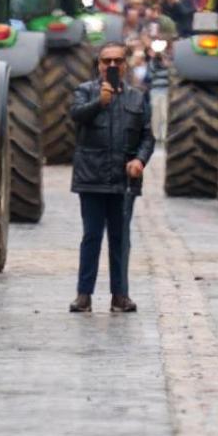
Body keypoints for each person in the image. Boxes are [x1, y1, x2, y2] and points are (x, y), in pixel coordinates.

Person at [68, 44, 154, 314]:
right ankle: (84, 296)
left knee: (120, 239)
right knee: (91, 237)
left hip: (123, 181)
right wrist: (100, 102)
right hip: (91, 177)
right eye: (107, 61)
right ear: (99, 64)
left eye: (118, 60)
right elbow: (76, 115)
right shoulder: (85, 91)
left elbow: (147, 136)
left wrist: (139, 160)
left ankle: (120, 295)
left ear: (126, 65)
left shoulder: (137, 98)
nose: (113, 65)